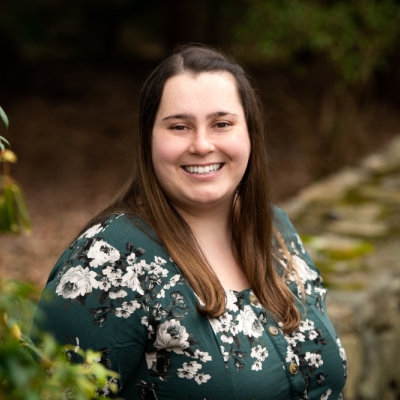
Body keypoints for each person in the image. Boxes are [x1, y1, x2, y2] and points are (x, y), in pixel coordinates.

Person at [33, 44, 347, 399]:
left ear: (250, 134)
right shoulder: (107, 261)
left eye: (222, 124)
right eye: (179, 126)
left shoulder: (276, 231)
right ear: (148, 139)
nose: (201, 144)